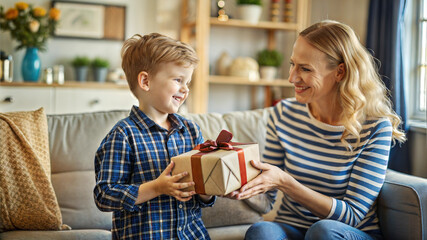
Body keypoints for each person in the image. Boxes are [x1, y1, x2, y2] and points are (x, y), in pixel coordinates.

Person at [232, 20, 406, 240]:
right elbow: (267, 200)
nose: (292, 77)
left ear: (340, 72)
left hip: (345, 233)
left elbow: (352, 215)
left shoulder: (374, 127)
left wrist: (286, 182)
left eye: (305, 68)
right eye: (292, 64)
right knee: (262, 232)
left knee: (322, 231)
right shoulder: (284, 114)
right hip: (294, 228)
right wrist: (238, 187)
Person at [93, 33, 215, 240]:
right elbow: (104, 195)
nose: (185, 89)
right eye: (178, 80)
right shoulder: (123, 135)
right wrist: (157, 187)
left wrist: (209, 187)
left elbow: (203, 196)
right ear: (145, 81)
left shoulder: (191, 131)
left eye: (188, 82)